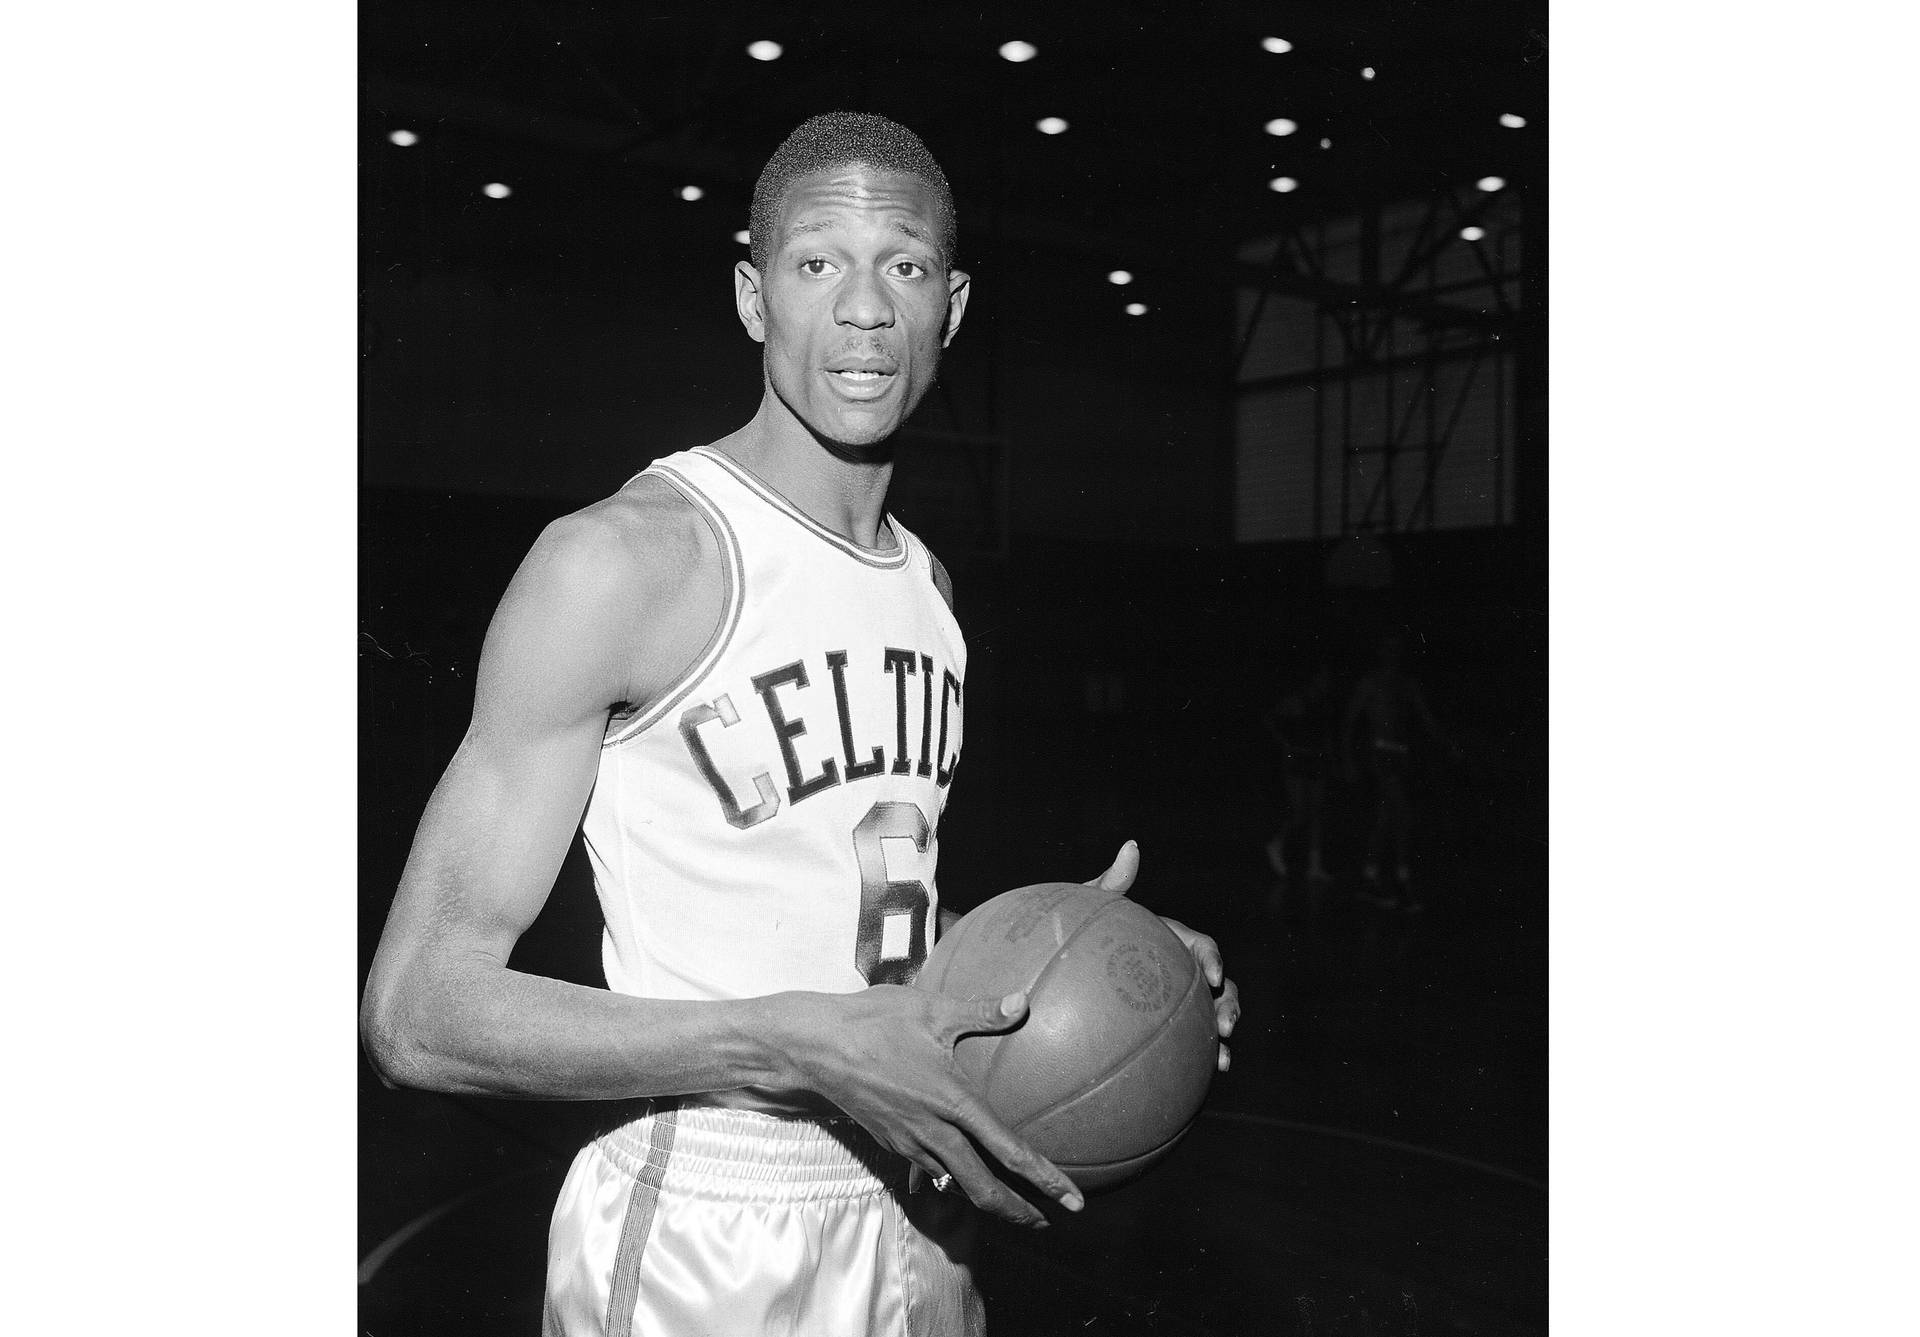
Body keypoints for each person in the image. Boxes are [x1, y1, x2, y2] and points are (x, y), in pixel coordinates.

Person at [359, 111, 1241, 1337]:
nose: (866, 307)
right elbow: (418, 1010)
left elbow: (851, 922)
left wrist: (1082, 959)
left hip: (922, 1211)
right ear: (752, 294)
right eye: (818, 261)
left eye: (907, 266)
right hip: (702, 1222)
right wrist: (794, 1048)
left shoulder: (931, 593)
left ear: (955, 304)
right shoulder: (623, 562)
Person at [1342, 631, 1449, 907]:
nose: (1392, 653)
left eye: (1396, 648)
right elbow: (1349, 722)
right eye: (1387, 647)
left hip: (1401, 756)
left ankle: (1374, 878)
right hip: (1379, 754)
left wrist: (1449, 744)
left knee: (1387, 818)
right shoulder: (1371, 682)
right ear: (1380, 651)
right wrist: (1348, 759)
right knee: (1402, 813)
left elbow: (1425, 718)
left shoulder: (1406, 684)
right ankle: (1400, 879)